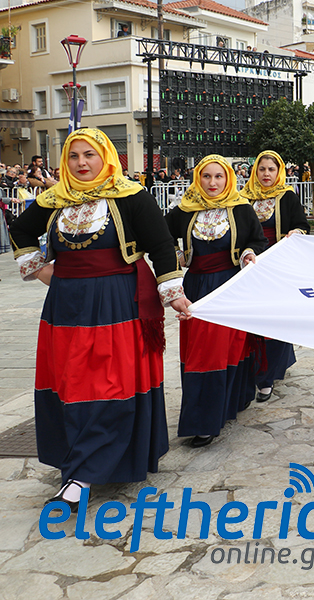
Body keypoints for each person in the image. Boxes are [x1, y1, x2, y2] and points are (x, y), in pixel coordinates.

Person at [8, 128, 189, 509]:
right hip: (65, 307)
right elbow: (21, 229)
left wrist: (173, 293)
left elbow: (161, 246)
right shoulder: (55, 198)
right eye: (74, 156)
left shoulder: (131, 196)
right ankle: (80, 462)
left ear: (105, 157)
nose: (81, 163)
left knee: (108, 383)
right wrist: (40, 269)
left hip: (116, 304)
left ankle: (84, 473)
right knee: (71, 382)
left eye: (89, 154)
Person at [165, 155, 267, 448]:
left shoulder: (241, 208)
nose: (212, 182)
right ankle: (205, 419)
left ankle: (226, 407)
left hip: (230, 287)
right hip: (197, 287)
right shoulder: (184, 210)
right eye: (206, 176)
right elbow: (160, 237)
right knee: (201, 354)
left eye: (218, 176)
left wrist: (248, 253)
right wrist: (176, 255)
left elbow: (257, 240)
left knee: (229, 348)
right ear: (197, 178)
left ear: (228, 178)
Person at [240, 151, 310, 401]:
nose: (266, 174)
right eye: (262, 169)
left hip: (278, 268)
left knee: (275, 320)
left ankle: (267, 376)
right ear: (255, 172)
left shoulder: (287, 196)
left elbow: (302, 225)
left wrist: (296, 233)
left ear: (279, 171)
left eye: (271, 169)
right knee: (255, 321)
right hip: (251, 267)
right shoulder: (243, 198)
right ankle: (261, 368)